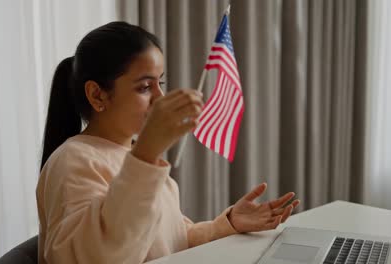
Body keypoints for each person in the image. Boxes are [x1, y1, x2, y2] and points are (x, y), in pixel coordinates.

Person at [36, 21, 300, 264]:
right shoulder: (75, 160)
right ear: (97, 95)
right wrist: (146, 153)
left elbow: (173, 240)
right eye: (144, 87)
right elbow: (99, 255)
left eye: (160, 83)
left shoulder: (136, 160)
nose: (160, 97)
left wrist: (228, 224)